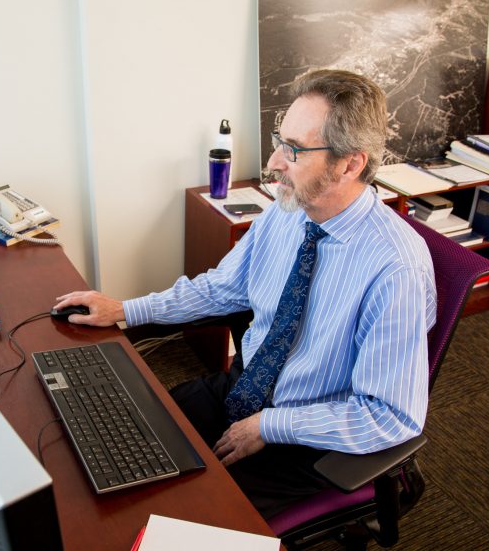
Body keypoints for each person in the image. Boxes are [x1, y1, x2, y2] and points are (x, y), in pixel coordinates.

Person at [54, 69, 437, 519]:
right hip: (245, 386)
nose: (274, 162)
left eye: (293, 150)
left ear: (350, 163)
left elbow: (391, 415)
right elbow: (224, 287)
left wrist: (271, 426)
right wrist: (125, 309)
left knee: (178, 515)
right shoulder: (288, 209)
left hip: (309, 436)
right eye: (280, 140)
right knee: (122, 437)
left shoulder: (396, 269)